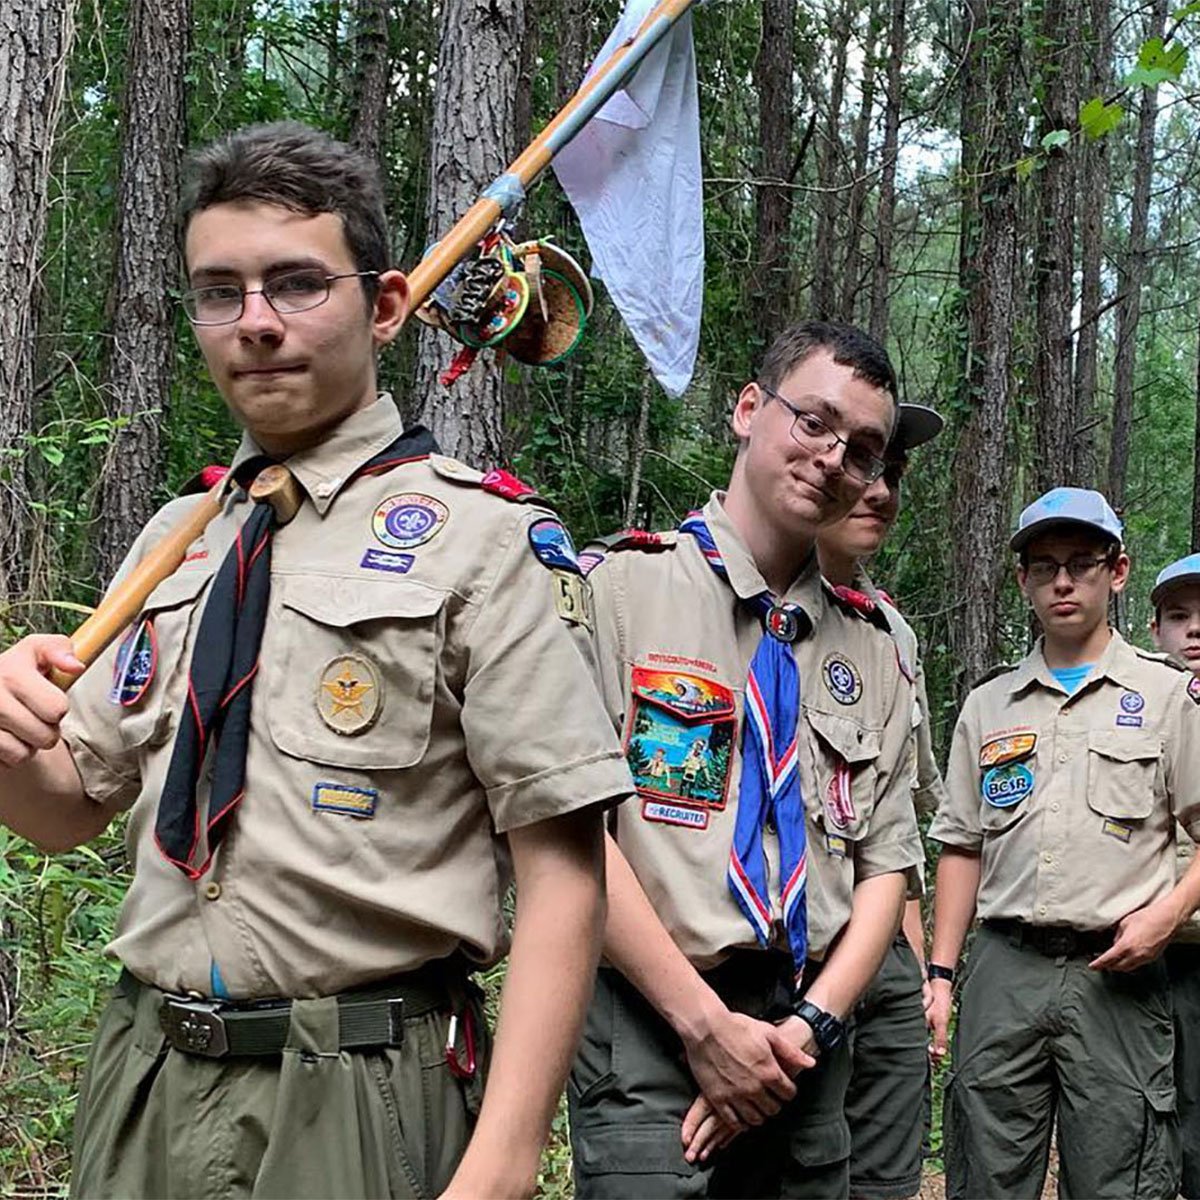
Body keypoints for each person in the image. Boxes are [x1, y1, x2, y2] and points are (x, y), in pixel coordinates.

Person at [0, 121, 633, 1200]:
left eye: (297, 284)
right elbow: (69, 808)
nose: (255, 324)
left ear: (385, 304)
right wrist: (10, 744)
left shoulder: (482, 541)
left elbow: (564, 872)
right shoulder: (177, 540)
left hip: (358, 1084)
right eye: (220, 291)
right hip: (144, 1071)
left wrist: (506, 1160)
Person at [568, 320, 924, 1198]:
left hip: (808, 1038)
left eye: (864, 450)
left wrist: (807, 1026)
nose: (834, 458)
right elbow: (567, 835)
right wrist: (703, 1026)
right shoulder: (616, 593)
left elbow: (886, 867)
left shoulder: (873, 646)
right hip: (650, 1028)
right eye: (814, 421)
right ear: (749, 408)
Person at [926, 487, 1200, 1200]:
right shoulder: (990, 705)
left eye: (1082, 562)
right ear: (1022, 580)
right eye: (1044, 566)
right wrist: (941, 974)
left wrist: (1168, 916)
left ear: (1117, 571)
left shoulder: (1168, 698)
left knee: (1121, 1172)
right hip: (1003, 971)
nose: (1063, 581)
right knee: (986, 1168)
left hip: (1117, 973)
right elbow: (960, 845)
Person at [815, 403, 948, 1200]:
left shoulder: (893, 634)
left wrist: (923, 973)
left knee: (885, 1181)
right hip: (790, 956)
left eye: (891, 471)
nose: (876, 488)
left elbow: (894, 826)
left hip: (885, 962)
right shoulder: (728, 603)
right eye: (861, 463)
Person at [1150, 553, 1200, 1200]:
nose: (1195, 631)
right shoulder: (1136, 710)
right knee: (1156, 1115)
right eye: (1179, 617)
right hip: (1156, 953)